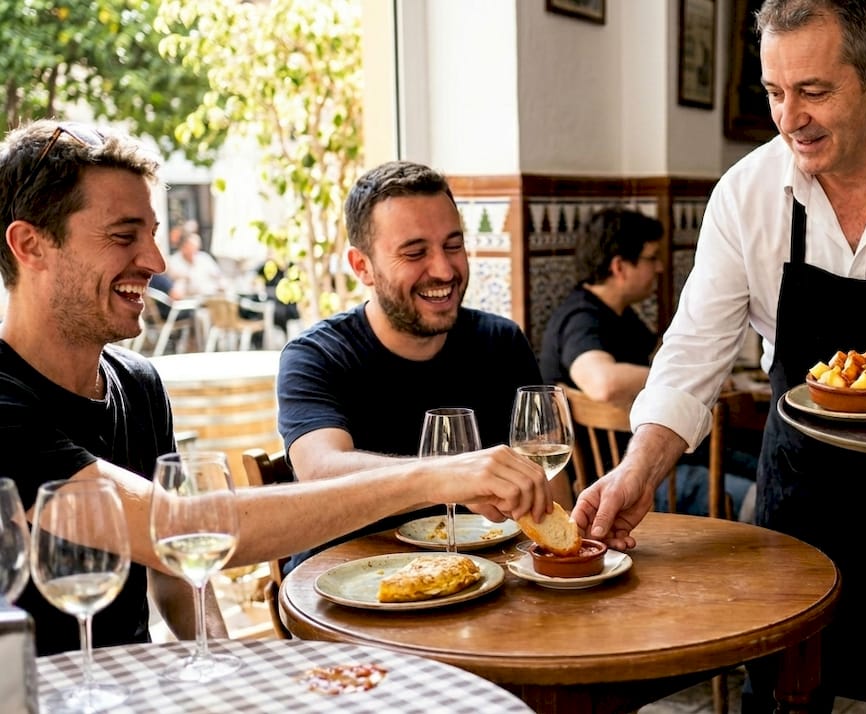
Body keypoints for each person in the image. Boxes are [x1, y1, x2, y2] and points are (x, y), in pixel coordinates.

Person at [571, 1, 866, 711]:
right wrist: (637, 470)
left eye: (814, 91)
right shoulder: (746, 194)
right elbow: (692, 355)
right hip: (803, 513)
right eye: (774, 93)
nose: (790, 118)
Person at [0, 120, 552, 656]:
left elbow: (176, 567)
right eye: (124, 236)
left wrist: (219, 660)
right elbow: (178, 527)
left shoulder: (137, 383)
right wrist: (437, 475)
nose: (156, 261)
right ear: (30, 245)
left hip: (124, 683)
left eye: (152, 234)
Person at [276, 160, 564, 572]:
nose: (444, 270)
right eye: (415, 253)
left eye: (453, 246)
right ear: (362, 267)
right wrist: (447, 476)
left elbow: (552, 492)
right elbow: (321, 471)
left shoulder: (502, 342)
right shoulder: (317, 355)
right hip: (347, 588)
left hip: (482, 581)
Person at [540, 207, 756, 520]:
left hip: (661, 457)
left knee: (762, 469)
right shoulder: (581, 318)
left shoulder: (620, 314)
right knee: (756, 496)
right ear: (619, 266)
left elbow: (662, 355)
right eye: (651, 258)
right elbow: (603, 382)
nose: (660, 268)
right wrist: (682, 384)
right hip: (620, 476)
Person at [167, 232, 226, 297]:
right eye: (191, 247)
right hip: (187, 297)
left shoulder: (204, 257)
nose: (194, 250)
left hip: (210, 294)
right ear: (183, 247)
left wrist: (222, 285)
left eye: (196, 248)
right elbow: (178, 283)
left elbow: (218, 275)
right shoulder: (173, 261)